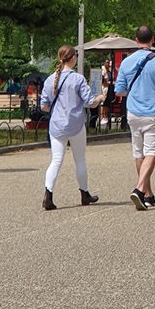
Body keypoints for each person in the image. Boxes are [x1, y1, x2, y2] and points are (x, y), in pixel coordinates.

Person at [114, 26, 155, 210]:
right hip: (153, 112)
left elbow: (119, 90)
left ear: (136, 39)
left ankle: (148, 195)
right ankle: (140, 189)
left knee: (138, 152)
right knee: (151, 152)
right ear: (152, 40)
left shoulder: (126, 62)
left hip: (133, 112)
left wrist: (134, 92)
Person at [39, 45, 101, 210]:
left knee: (56, 160)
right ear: (73, 58)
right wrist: (100, 97)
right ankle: (84, 193)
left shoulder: (50, 79)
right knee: (79, 159)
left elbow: (43, 106)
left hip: (56, 126)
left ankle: (48, 194)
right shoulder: (78, 79)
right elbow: (90, 102)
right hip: (75, 124)